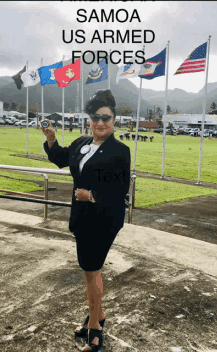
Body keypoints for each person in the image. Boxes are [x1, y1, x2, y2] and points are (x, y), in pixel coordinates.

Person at [41, 89, 131, 352]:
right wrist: (51, 138)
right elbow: (60, 159)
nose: (100, 122)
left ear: (114, 120)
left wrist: (92, 195)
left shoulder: (119, 151)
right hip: (81, 218)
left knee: (91, 269)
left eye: (106, 117)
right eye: (95, 117)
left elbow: (120, 188)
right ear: (90, 119)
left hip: (105, 219)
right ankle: (99, 314)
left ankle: (94, 329)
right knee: (90, 270)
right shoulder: (81, 144)